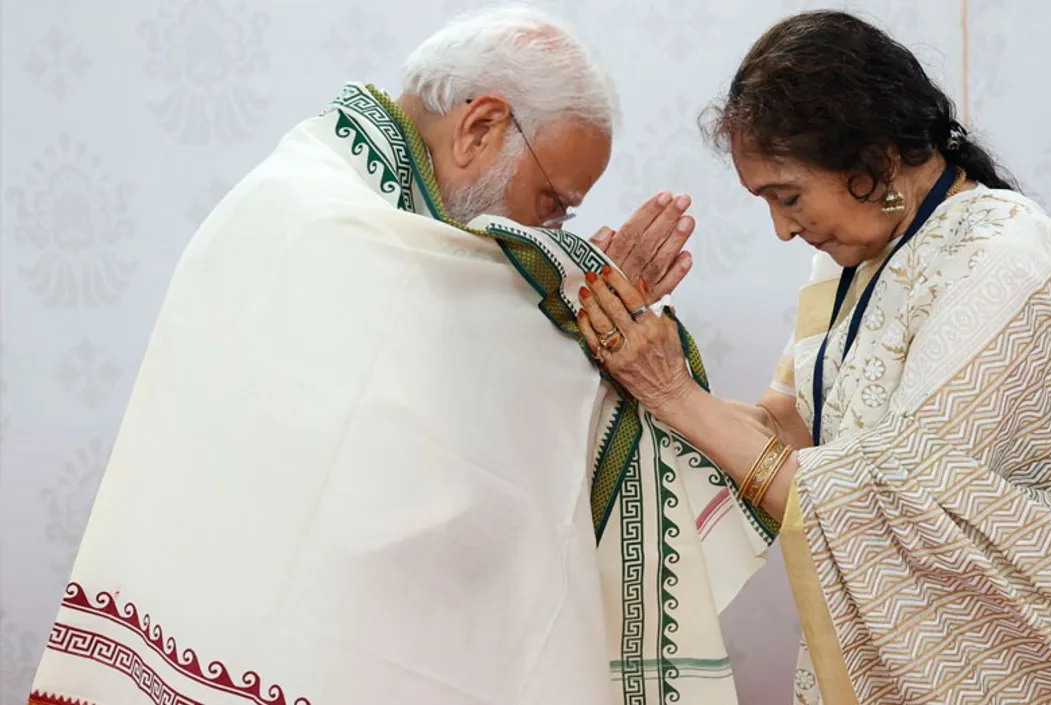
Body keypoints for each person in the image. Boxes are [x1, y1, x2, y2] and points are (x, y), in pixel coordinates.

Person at [27, 7, 771, 705]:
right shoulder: (326, 220)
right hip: (279, 628)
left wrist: (583, 305)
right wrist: (578, 304)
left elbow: (470, 435)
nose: (553, 225)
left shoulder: (346, 211)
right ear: (480, 126)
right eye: (553, 201)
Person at [578, 10, 1051, 705]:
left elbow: (893, 506)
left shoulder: (1009, 256)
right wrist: (631, 356)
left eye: (787, 197)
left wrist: (675, 394)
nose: (783, 228)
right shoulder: (850, 265)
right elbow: (788, 426)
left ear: (874, 159)